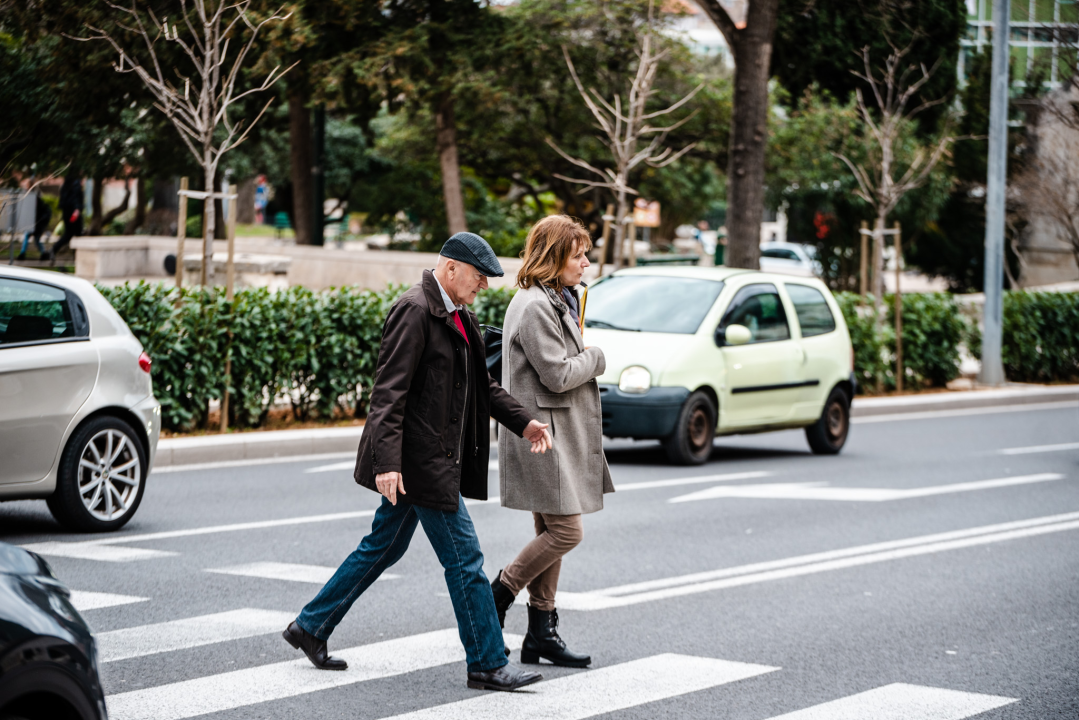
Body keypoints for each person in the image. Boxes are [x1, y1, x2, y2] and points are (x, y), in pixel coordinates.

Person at [283, 232, 554, 692]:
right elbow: (388, 394)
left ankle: (311, 626)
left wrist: (524, 422)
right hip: (422, 461)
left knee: (383, 548)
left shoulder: (459, 314)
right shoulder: (414, 310)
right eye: (478, 277)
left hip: (429, 458)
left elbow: (482, 387)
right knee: (466, 560)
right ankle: (488, 661)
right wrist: (388, 462)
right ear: (450, 269)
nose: (483, 286)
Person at [490, 214, 613, 668]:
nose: (585, 262)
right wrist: (596, 358)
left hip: (553, 432)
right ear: (556, 256)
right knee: (566, 531)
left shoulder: (551, 299)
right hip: (543, 434)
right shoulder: (536, 306)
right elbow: (558, 374)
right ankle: (497, 595)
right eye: (578, 254)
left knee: (550, 529)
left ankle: (541, 632)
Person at [51, 174, 83, 262]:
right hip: (74, 214)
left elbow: (62, 201)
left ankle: (54, 249)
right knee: (78, 234)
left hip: (66, 213)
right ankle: (77, 257)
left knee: (68, 234)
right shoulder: (76, 184)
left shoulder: (65, 185)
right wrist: (77, 210)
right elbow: (76, 198)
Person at [16, 191, 51, 261]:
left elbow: (44, 216)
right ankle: (23, 253)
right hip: (32, 226)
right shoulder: (34, 205)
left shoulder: (41, 206)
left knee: (36, 240)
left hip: (37, 226)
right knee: (28, 238)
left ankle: (43, 253)